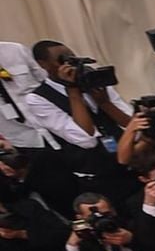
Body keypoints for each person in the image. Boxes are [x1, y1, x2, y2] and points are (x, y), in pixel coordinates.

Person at [22, 40, 138, 208]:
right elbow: (86, 138)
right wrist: (73, 91)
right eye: (62, 59)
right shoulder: (38, 98)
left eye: (72, 57)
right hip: (98, 177)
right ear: (43, 65)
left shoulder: (93, 81)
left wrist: (105, 103)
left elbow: (132, 124)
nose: (69, 63)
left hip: (130, 164)